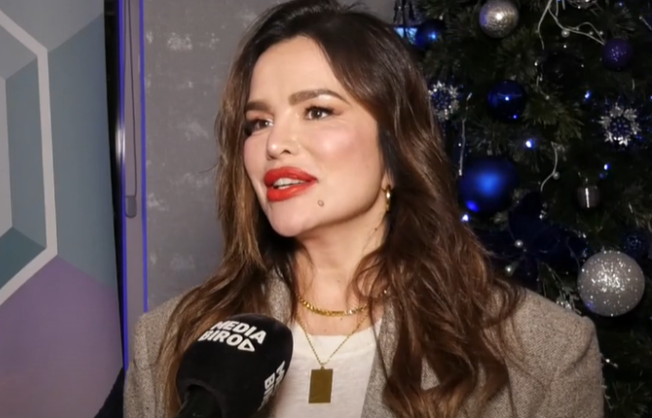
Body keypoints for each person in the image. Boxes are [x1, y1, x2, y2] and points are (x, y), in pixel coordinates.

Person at [124, 0, 604, 417]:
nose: (274, 143)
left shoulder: (544, 353)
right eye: (258, 122)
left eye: (317, 111)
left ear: (396, 149)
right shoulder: (166, 342)